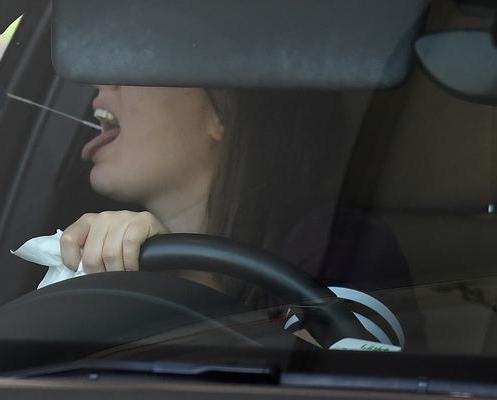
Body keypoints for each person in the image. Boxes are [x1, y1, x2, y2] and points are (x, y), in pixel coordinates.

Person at [29, 84, 416, 346]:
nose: (100, 80)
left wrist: (181, 279)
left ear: (223, 110)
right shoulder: (93, 252)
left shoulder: (343, 240)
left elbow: (334, 379)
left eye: (142, 61)